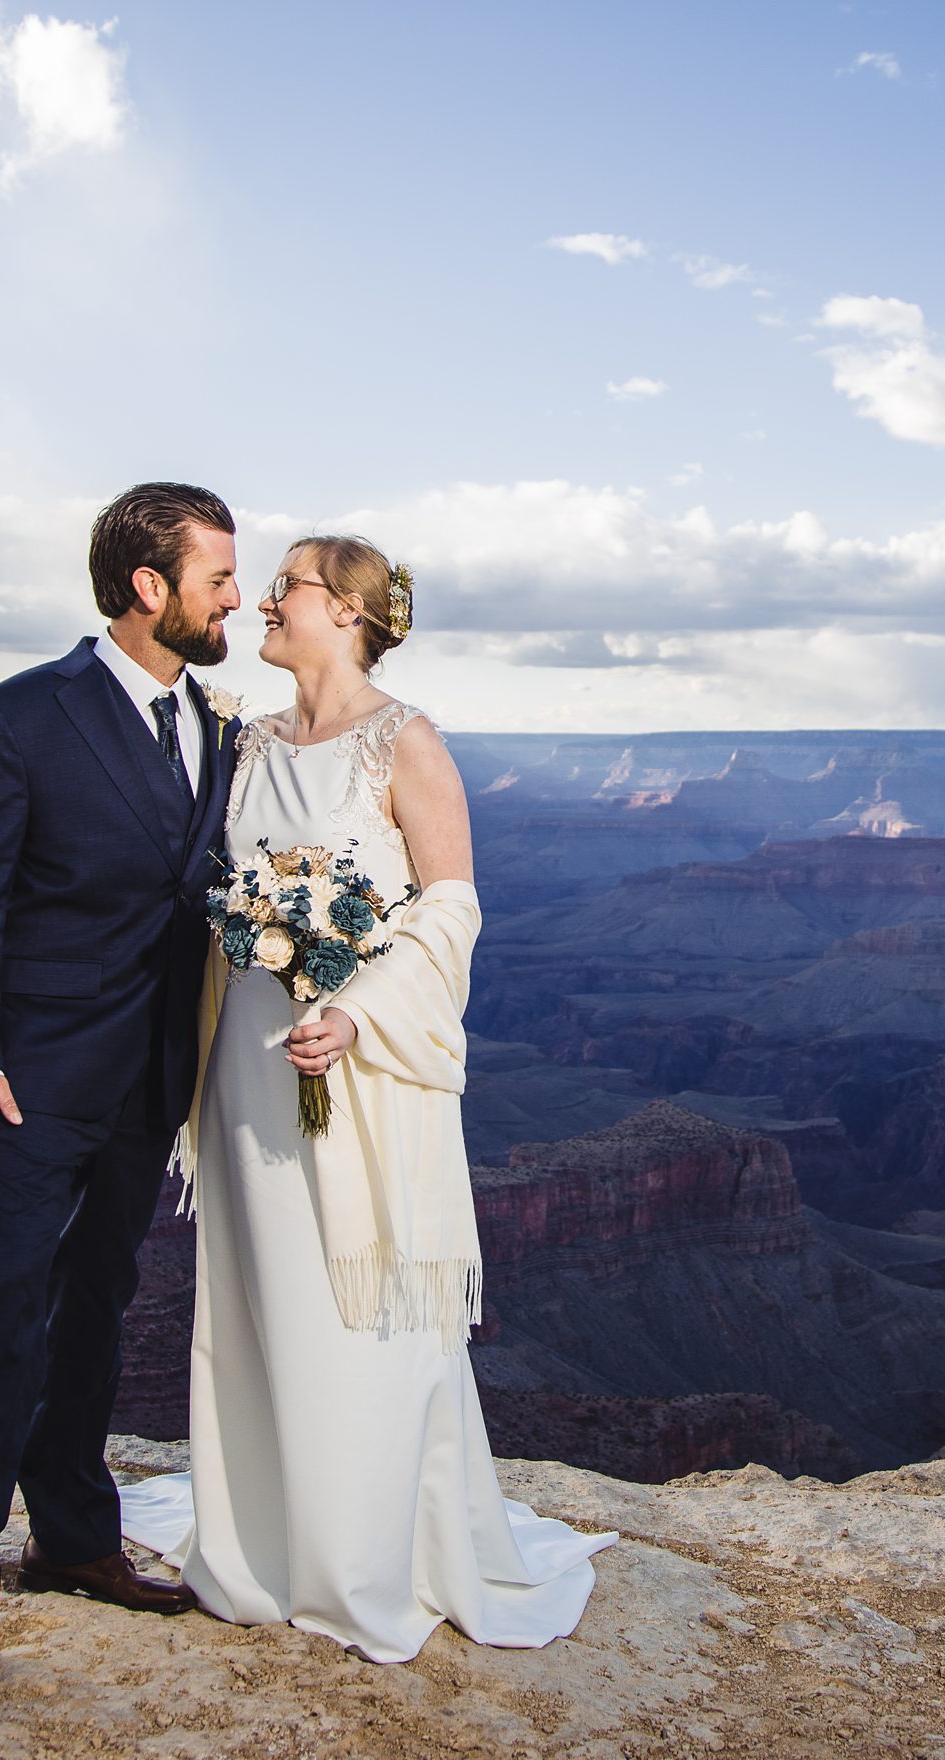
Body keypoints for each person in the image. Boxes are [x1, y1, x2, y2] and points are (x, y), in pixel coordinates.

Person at [115, 534, 616, 1662]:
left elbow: (450, 909)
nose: (259, 603)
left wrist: (356, 1008)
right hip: (246, 1059)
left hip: (358, 1061)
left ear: (342, 610)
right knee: (259, 1288)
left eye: (282, 585)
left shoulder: (407, 741)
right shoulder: (241, 744)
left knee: (356, 1294)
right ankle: (262, 1541)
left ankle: (361, 1556)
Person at [0, 483, 246, 1725]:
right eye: (218, 574)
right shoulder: (21, 715)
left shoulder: (212, 719)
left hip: (153, 1077)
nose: (236, 597)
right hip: (34, 1078)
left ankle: (71, 1535)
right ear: (149, 586)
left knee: (101, 1301)